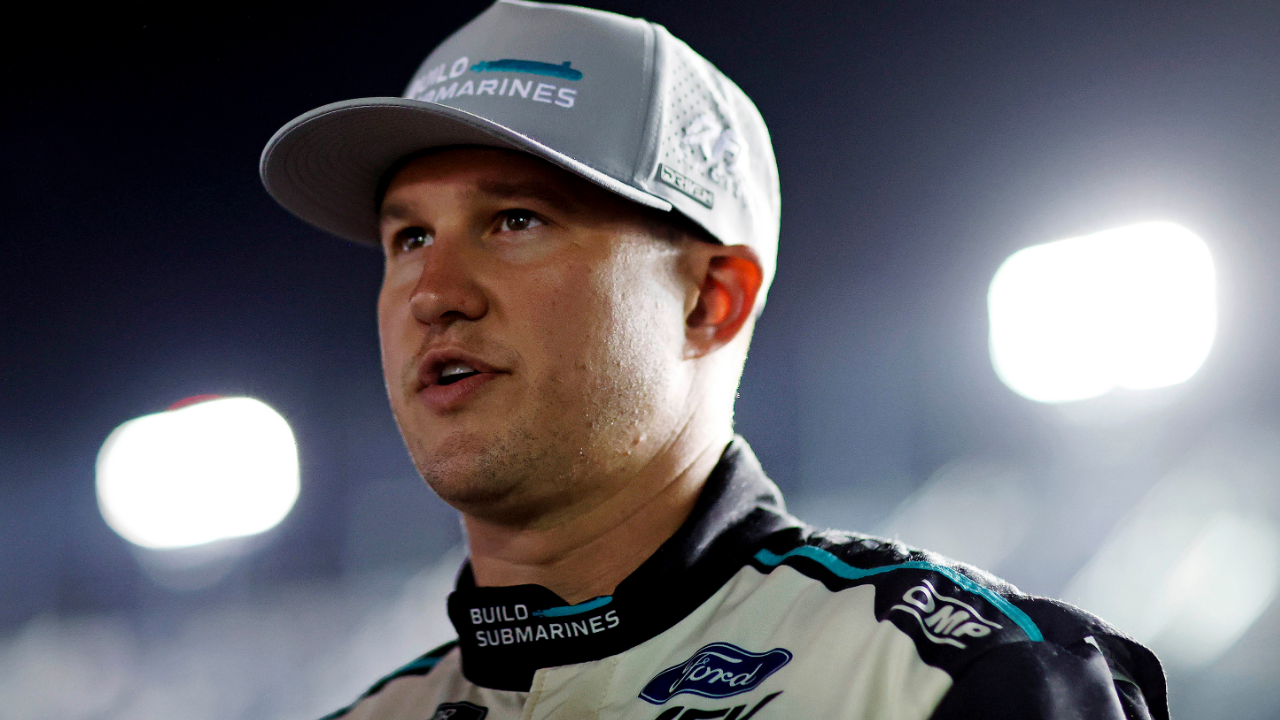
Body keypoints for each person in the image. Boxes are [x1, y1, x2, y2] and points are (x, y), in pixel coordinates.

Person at [260, 2, 1168, 718]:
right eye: (409, 235)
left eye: (516, 221)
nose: (434, 291)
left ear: (709, 299)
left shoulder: (957, 682)